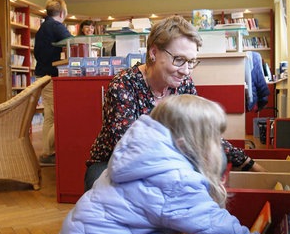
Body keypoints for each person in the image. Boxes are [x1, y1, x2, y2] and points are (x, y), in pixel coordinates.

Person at [54, 95, 279, 234]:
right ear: (187, 144)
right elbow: (215, 223)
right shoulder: (176, 179)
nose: (218, 145)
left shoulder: (143, 151)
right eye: (214, 138)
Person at [84, 15, 266, 191]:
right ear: (153, 52)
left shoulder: (184, 84)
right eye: (179, 60)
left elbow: (203, 131)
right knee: (101, 183)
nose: (186, 71)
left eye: (191, 62)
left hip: (170, 157)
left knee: (218, 158)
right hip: (114, 161)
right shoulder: (123, 84)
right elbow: (128, 147)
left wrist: (249, 164)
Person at [34, 0, 72, 165]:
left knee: (50, 115)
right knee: (59, 115)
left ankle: (47, 152)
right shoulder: (56, 26)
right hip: (51, 76)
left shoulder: (43, 27)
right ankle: (48, 153)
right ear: (62, 12)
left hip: (42, 75)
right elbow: (73, 41)